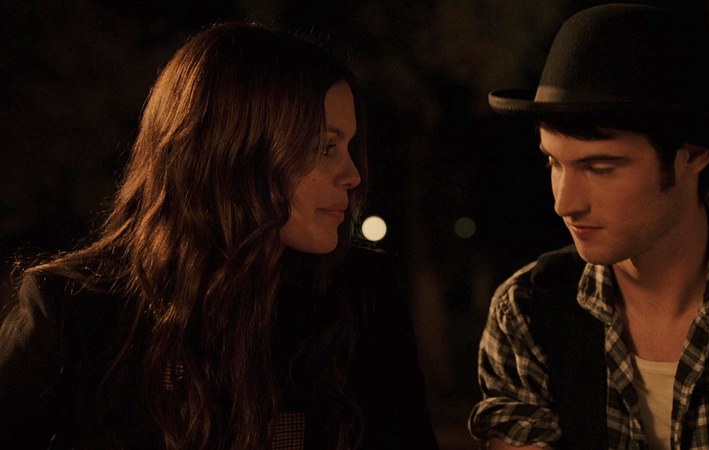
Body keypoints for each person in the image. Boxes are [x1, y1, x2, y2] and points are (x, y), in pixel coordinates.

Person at [0, 22, 439, 450]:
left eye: (349, 146)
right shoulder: (80, 309)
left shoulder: (359, 298)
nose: (353, 175)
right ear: (236, 152)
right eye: (326, 147)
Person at [469, 4, 709, 449]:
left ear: (693, 155)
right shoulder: (527, 311)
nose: (565, 203)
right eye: (554, 163)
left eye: (601, 168)